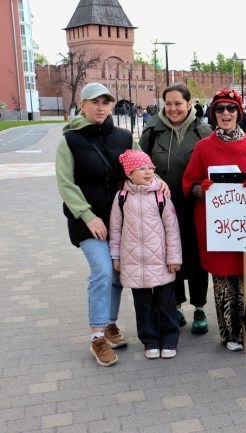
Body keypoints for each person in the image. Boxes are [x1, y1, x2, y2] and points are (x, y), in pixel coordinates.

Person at [182, 89, 246, 351]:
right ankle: (231, 334)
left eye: (231, 108)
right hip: (219, 225)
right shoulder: (203, 147)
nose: (226, 113)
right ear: (213, 114)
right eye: (220, 109)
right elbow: (189, 183)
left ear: (238, 113)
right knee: (224, 282)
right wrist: (202, 189)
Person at [55, 83, 133, 366]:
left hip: (119, 220)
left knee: (117, 275)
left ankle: (110, 323)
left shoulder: (124, 137)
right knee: (101, 271)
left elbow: (140, 168)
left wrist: (156, 183)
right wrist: (88, 216)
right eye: (94, 102)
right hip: (86, 221)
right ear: (83, 105)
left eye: (105, 102)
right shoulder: (70, 140)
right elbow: (66, 183)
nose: (100, 108)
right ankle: (97, 337)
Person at [140, 83, 213, 334]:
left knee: (197, 257)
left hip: (196, 204)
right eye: (168, 104)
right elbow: (141, 166)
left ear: (189, 104)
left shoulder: (204, 131)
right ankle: (176, 305)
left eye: (178, 103)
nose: (173, 109)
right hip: (163, 206)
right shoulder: (152, 131)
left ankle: (200, 306)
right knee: (171, 256)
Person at [109, 150, 182, 359]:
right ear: (129, 173)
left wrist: (174, 258)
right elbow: (115, 229)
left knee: (166, 303)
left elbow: (172, 229)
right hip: (133, 263)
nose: (148, 172)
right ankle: (150, 341)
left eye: (151, 168)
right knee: (143, 305)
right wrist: (116, 256)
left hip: (160, 261)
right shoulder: (121, 197)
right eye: (142, 169)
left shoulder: (161, 195)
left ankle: (169, 339)